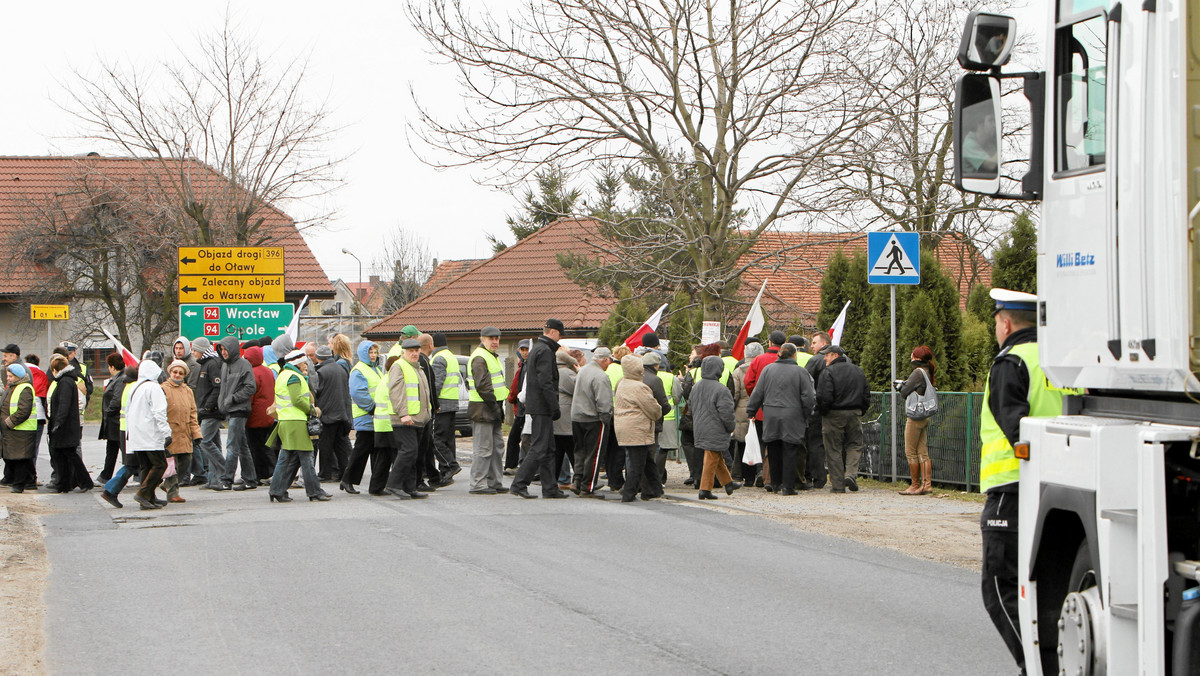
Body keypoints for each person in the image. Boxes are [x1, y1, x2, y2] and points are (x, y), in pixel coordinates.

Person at [979, 289, 1071, 673]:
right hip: (1063, 487)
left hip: (1011, 489)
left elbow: (1016, 428)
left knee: (1000, 587)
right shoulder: (1062, 362)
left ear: (1005, 323)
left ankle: (1035, 667)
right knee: (1052, 587)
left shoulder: (1011, 361)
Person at [746, 343, 816, 495]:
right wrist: (807, 413)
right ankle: (788, 486)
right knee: (790, 450)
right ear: (794, 355)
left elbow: (758, 392)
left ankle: (775, 483)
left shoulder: (768, 370)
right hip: (793, 416)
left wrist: (751, 410)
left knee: (773, 449)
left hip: (771, 415)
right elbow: (808, 396)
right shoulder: (800, 372)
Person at [511, 319, 568, 499]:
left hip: (539, 406)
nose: (560, 339)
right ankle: (519, 483)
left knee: (549, 448)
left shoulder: (539, 348)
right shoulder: (545, 350)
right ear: (552, 332)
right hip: (542, 407)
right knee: (539, 447)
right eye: (559, 334)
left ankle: (549, 487)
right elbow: (546, 381)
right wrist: (554, 406)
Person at [268, 349, 329, 503]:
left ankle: (276, 490)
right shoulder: (294, 377)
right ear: (297, 363)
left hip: (286, 421)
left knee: (286, 458)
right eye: (303, 362)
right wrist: (312, 410)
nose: (306, 365)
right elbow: (296, 400)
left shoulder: (284, 374)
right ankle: (314, 491)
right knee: (307, 458)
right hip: (296, 421)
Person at [815, 345, 870, 494]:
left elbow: (823, 396)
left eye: (826, 355)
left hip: (833, 414)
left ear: (834, 355)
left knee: (833, 448)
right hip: (854, 413)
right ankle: (851, 474)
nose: (824, 358)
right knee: (855, 445)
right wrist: (860, 411)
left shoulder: (827, 372)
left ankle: (838, 485)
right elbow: (866, 394)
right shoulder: (858, 370)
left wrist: (824, 412)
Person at [384, 339, 433, 500]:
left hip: (417, 419)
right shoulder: (399, 366)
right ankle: (393, 484)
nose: (414, 353)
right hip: (403, 419)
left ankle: (410, 487)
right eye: (410, 350)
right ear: (403, 352)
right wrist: (403, 414)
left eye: (417, 350)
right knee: (408, 451)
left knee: (413, 453)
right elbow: (396, 392)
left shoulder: (417, 368)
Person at [688, 355, 742, 500]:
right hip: (716, 428)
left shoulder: (696, 386)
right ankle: (704, 489)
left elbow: (691, 408)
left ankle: (728, 483)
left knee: (716, 455)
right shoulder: (721, 389)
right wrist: (731, 427)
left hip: (699, 426)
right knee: (711, 458)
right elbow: (726, 412)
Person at [612, 354, 664, 503]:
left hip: (623, 427)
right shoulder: (639, 387)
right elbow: (652, 408)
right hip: (637, 428)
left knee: (646, 460)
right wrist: (658, 412)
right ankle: (629, 493)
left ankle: (656, 488)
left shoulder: (621, 383)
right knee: (638, 463)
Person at [467, 327, 509, 495]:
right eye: (491, 338)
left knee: (497, 447)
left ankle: (494, 482)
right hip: (484, 409)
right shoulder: (480, 357)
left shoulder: (489, 356)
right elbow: (483, 386)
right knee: (483, 449)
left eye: (497, 338)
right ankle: (478, 483)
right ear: (482, 339)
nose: (495, 342)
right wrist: (494, 406)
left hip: (491, 408)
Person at [125, 359, 172, 510]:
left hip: (136, 434)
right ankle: (144, 494)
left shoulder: (135, 387)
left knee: (146, 466)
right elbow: (159, 412)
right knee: (160, 465)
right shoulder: (154, 388)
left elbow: (127, 412)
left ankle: (149, 497)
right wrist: (166, 432)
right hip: (150, 434)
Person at [570, 347, 613, 499]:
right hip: (593, 418)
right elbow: (604, 401)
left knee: (580, 451)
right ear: (605, 360)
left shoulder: (583, 370)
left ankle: (577, 480)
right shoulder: (601, 376)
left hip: (577, 417)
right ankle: (587, 487)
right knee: (594, 454)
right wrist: (606, 417)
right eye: (609, 361)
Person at [342, 340, 382, 494]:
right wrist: (372, 409)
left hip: (375, 417)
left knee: (375, 451)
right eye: (370, 352)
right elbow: (358, 393)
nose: (373, 355)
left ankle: (376, 484)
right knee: (361, 451)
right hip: (366, 416)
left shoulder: (375, 369)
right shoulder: (359, 370)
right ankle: (347, 480)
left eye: (375, 352)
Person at [744, 330, 784, 487]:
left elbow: (749, 382)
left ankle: (761, 471)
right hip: (783, 409)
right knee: (779, 443)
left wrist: (756, 400)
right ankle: (775, 476)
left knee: (762, 442)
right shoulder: (786, 359)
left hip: (762, 410)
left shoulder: (759, 360)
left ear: (769, 343)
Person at [46, 353, 91, 493]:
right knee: (66, 456)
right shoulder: (66, 381)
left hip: (64, 428)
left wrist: (57, 424)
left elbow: (63, 405)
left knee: (67, 456)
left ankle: (79, 482)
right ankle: (68, 483)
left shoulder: (65, 382)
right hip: (66, 426)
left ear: (56, 370)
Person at [217, 336, 257, 490]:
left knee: (232, 446)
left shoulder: (244, 364)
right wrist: (223, 404)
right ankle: (250, 479)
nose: (223, 352)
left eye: (225, 349)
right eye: (221, 349)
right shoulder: (225, 366)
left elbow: (250, 387)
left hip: (239, 410)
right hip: (230, 410)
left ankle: (227, 480)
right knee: (241, 446)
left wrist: (232, 399)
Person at [897, 345, 937, 495]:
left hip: (915, 416)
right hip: (925, 416)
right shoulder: (927, 370)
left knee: (910, 451)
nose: (910, 357)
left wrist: (901, 386)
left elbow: (905, 392)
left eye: (912, 355)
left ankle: (915, 485)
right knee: (923, 451)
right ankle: (927, 485)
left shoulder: (917, 372)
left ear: (918, 358)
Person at [160, 360, 201, 504]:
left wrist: (196, 433)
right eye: (175, 372)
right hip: (170, 432)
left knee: (186, 460)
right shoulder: (163, 389)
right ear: (170, 372)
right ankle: (173, 493)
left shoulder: (188, 391)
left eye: (180, 373)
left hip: (184, 431)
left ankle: (168, 485)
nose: (177, 375)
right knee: (172, 463)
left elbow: (193, 413)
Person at [193, 337, 227, 490]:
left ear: (201, 350)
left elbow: (217, 387)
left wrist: (207, 407)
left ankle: (225, 470)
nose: (193, 353)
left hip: (212, 412)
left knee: (204, 441)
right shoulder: (205, 363)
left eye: (195, 350)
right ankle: (214, 480)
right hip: (207, 411)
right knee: (215, 444)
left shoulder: (212, 364)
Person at [429, 333, 463, 486]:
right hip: (452, 403)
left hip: (442, 404)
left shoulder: (438, 358)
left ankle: (450, 465)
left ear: (433, 345)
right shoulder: (451, 356)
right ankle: (446, 473)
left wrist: (432, 403)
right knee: (448, 439)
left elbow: (437, 383)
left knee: (436, 439)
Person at [314, 345, 352, 482]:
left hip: (327, 414)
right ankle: (345, 473)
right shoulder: (341, 369)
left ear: (318, 358)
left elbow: (317, 392)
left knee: (325, 445)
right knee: (341, 446)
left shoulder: (321, 372)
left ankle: (325, 473)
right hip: (342, 413)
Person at [637, 351, 671, 499]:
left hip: (634, 422)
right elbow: (663, 403)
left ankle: (635, 484)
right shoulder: (655, 380)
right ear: (656, 365)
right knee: (650, 455)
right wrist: (661, 413)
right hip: (651, 422)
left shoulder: (634, 377)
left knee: (634, 455)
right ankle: (649, 488)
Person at [243, 345, 278, 482]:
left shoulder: (251, 372)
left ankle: (260, 473)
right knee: (267, 445)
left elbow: (250, 394)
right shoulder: (268, 371)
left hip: (255, 416)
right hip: (268, 414)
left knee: (255, 446)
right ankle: (271, 472)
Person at [1, 364, 37, 493]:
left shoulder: (25, 388)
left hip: (22, 430)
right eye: (7, 376)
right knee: (17, 458)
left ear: (17, 376)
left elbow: (24, 410)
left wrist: (9, 423)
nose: (8, 378)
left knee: (20, 458)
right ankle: (29, 481)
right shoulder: (13, 387)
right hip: (14, 430)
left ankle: (19, 484)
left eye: (10, 376)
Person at [731, 342, 763, 482]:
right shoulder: (763, 368)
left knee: (744, 443)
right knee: (760, 442)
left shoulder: (738, 371)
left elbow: (735, 394)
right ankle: (761, 471)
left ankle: (748, 478)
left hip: (742, 412)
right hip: (760, 410)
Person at [95, 353, 129, 484]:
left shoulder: (120, 379)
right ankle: (105, 475)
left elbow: (116, 399)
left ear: (112, 366)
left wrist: (108, 412)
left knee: (123, 451)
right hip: (113, 422)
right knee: (112, 450)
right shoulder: (117, 378)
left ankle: (139, 473)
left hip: (116, 422)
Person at [806, 331, 831, 488]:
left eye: (814, 343)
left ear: (823, 344)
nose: (811, 346)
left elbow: (806, 382)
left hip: (816, 408)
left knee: (814, 443)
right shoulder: (845, 359)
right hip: (835, 408)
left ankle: (818, 476)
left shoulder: (814, 361)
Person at [552, 347, 578, 492]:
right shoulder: (567, 374)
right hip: (566, 418)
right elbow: (578, 389)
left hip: (556, 419)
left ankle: (552, 481)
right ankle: (580, 480)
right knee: (574, 451)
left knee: (557, 453)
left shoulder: (551, 371)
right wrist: (578, 371)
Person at [504, 338, 531, 473]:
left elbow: (515, 389)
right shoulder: (522, 366)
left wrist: (512, 399)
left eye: (527, 350)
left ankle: (513, 465)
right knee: (520, 438)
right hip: (521, 408)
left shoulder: (524, 368)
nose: (525, 352)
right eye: (523, 350)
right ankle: (514, 465)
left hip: (523, 409)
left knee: (517, 438)